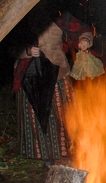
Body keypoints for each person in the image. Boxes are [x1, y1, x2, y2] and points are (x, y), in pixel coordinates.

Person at [13, 10, 94, 163]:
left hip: (57, 75)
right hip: (30, 78)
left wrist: (84, 39)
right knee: (37, 119)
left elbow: (83, 30)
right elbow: (10, 45)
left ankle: (70, 153)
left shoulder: (59, 16)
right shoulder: (18, 16)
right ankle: (46, 157)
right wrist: (27, 51)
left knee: (63, 117)